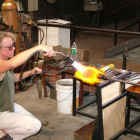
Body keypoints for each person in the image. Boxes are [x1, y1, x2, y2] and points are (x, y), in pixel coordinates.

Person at [0, 31, 54, 140]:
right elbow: (12, 63)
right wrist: (38, 47)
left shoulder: (4, 63)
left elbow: (12, 77)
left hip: (6, 106)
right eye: (9, 47)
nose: (13, 49)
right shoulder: (3, 64)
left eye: (13, 45)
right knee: (33, 126)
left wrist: (30, 72)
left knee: (32, 121)